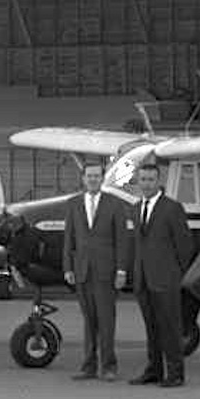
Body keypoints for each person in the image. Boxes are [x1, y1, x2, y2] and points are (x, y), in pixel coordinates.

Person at [62, 162, 132, 381]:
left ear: (102, 179)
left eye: (96, 176)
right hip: (82, 270)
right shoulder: (73, 204)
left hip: (106, 271)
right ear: (83, 179)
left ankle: (109, 366)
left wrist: (121, 270)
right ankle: (88, 366)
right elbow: (69, 239)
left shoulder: (115, 204)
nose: (92, 179)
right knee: (89, 320)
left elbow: (122, 240)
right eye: (89, 176)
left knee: (106, 319)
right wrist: (68, 268)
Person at [128, 162, 196, 388]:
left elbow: (185, 246)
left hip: (166, 280)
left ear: (158, 182)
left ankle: (175, 373)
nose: (146, 184)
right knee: (152, 328)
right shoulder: (136, 208)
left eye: (150, 180)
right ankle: (154, 370)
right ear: (138, 182)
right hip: (143, 279)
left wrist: (175, 274)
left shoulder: (172, 208)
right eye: (142, 180)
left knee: (171, 327)